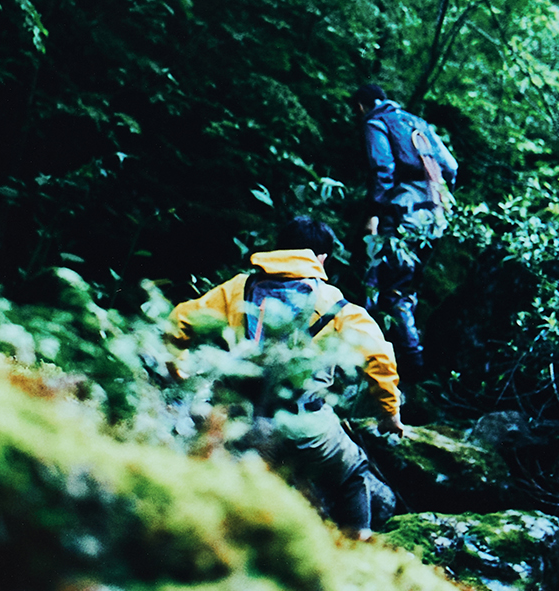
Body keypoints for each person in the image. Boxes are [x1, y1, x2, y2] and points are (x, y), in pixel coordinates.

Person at [170, 216, 402, 538]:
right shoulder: (337, 304)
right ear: (321, 258)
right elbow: (380, 358)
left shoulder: (238, 287)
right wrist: (389, 414)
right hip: (305, 430)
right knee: (352, 474)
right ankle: (357, 550)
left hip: (239, 421)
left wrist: (178, 370)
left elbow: (178, 322)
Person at [352, 83, 458, 381]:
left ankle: (407, 366)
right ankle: (408, 362)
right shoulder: (418, 123)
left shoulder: (376, 122)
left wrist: (374, 213)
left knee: (386, 287)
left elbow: (382, 169)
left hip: (403, 214)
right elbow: (451, 166)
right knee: (407, 288)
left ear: (361, 106)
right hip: (434, 216)